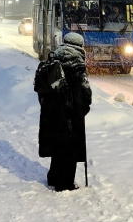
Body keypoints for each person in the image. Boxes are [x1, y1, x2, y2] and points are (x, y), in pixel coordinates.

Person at [36, 33, 92, 191]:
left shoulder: (52, 58)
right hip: (70, 113)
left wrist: (49, 106)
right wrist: (81, 109)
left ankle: (53, 177)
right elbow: (84, 91)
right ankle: (65, 183)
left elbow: (43, 89)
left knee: (57, 146)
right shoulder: (77, 62)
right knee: (70, 150)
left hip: (51, 112)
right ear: (80, 45)